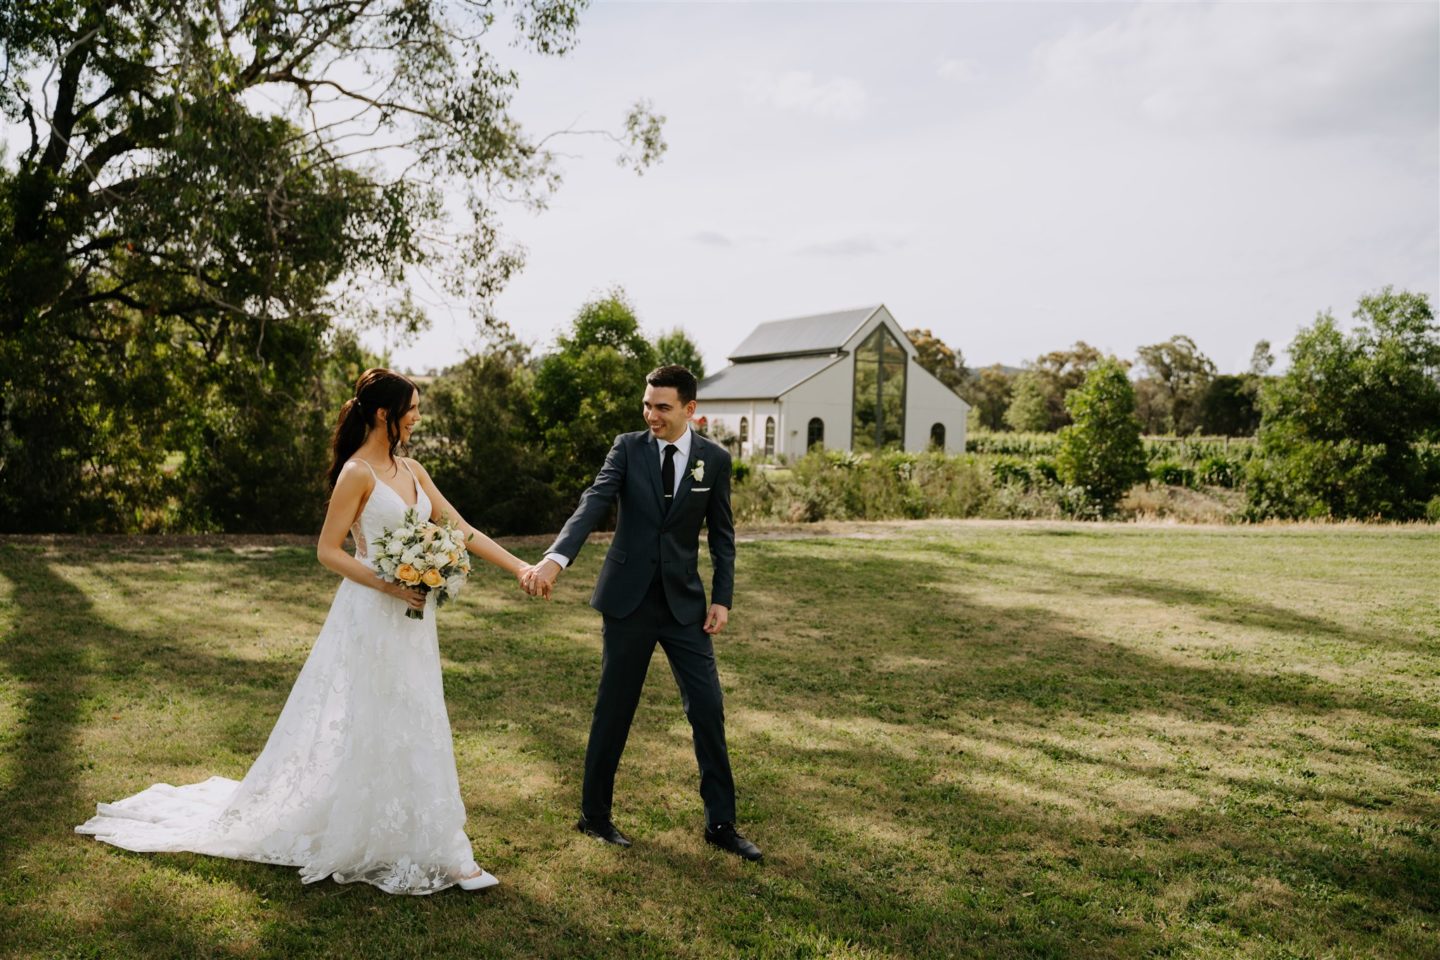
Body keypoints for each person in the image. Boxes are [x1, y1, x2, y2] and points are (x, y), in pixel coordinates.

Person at [76, 368, 536, 894]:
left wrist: (520, 568)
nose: (417, 416)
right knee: (370, 717)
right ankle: (394, 836)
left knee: (416, 712)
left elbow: (461, 527)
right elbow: (327, 550)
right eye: (411, 408)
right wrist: (390, 584)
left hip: (413, 619)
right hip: (371, 613)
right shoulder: (357, 473)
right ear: (384, 414)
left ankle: (440, 843)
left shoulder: (412, 469)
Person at [522, 364, 762, 861]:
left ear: (690, 410)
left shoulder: (714, 460)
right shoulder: (627, 448)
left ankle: (720, 824)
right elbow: (594, 502)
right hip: (627, 602)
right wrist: (555, 558)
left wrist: (722, 598)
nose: (651, 415)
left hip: (684, 607)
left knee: (708, 708)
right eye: (647, 405)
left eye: (662, 407)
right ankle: (594, 815)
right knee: (615, 707)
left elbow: (722, 535)